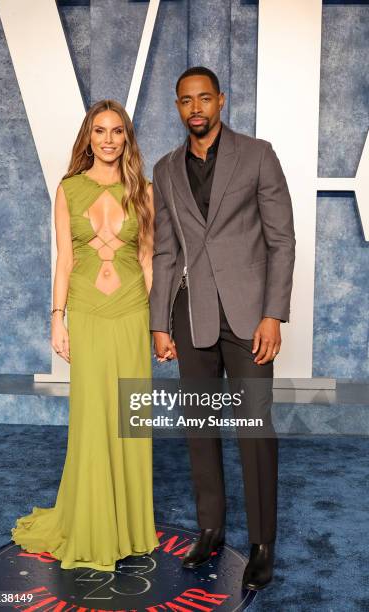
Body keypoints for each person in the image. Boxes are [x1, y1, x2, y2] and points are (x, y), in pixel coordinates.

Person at [150, 67, 295, 590]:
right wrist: (159, 322)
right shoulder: (164, 169)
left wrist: (273, 314)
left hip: (250, 315)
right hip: (192, 316)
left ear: (221, 101)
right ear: (177, 106)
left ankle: (261, 544)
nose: (196, 108)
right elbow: (166, 250)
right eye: (186, 100)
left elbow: (282, 241)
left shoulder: (258, 154)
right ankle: (210, 529)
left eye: (204, 98)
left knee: (255, 431)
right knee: (199, 428)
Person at [11, 100, 159, 571]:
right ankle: (93, 523)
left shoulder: (144, 190)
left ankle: (132, 526)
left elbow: (148, 259)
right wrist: (58, 318)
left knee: (130, 418)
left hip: (131, 313)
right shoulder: (69, 189)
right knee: (94, 418)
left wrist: (150, 318)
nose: (109, 139)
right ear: (89, 137)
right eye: (100, 131)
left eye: (117, 131)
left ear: (126, 138)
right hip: (89, 314)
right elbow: (66, 260)